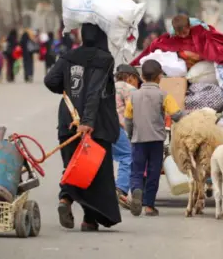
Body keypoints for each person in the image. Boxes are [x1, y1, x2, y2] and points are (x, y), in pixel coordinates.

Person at [44, 23, 121, 232]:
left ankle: (65, 201)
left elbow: (50, 80)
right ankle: (89, 220)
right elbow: (94, 91)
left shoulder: (69, 56)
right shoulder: (104, 59)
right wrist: (87, 122)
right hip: (94, 125)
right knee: (93, 171)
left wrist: (68, 88)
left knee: (73, 166)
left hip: (68, 119)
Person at [124, 59, 185, 217]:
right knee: (153, 172)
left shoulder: (134, 96)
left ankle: (137, 190)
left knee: (136, 171)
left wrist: (131, 135)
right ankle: (149, 206)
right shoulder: (164, 95)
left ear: (142, 77)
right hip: (156, 140)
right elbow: (176, 115)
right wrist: (191, 116)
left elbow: (128, 119)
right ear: (159, 77)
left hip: (138, 140)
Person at [113, 64, 141, 209]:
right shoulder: (130, 89)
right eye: (137, 80)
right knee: (127, 156)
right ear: (131, 77)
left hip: (99, 127)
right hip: (118, 128)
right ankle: (121, 189)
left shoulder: (108, 85)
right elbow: (132, 113)